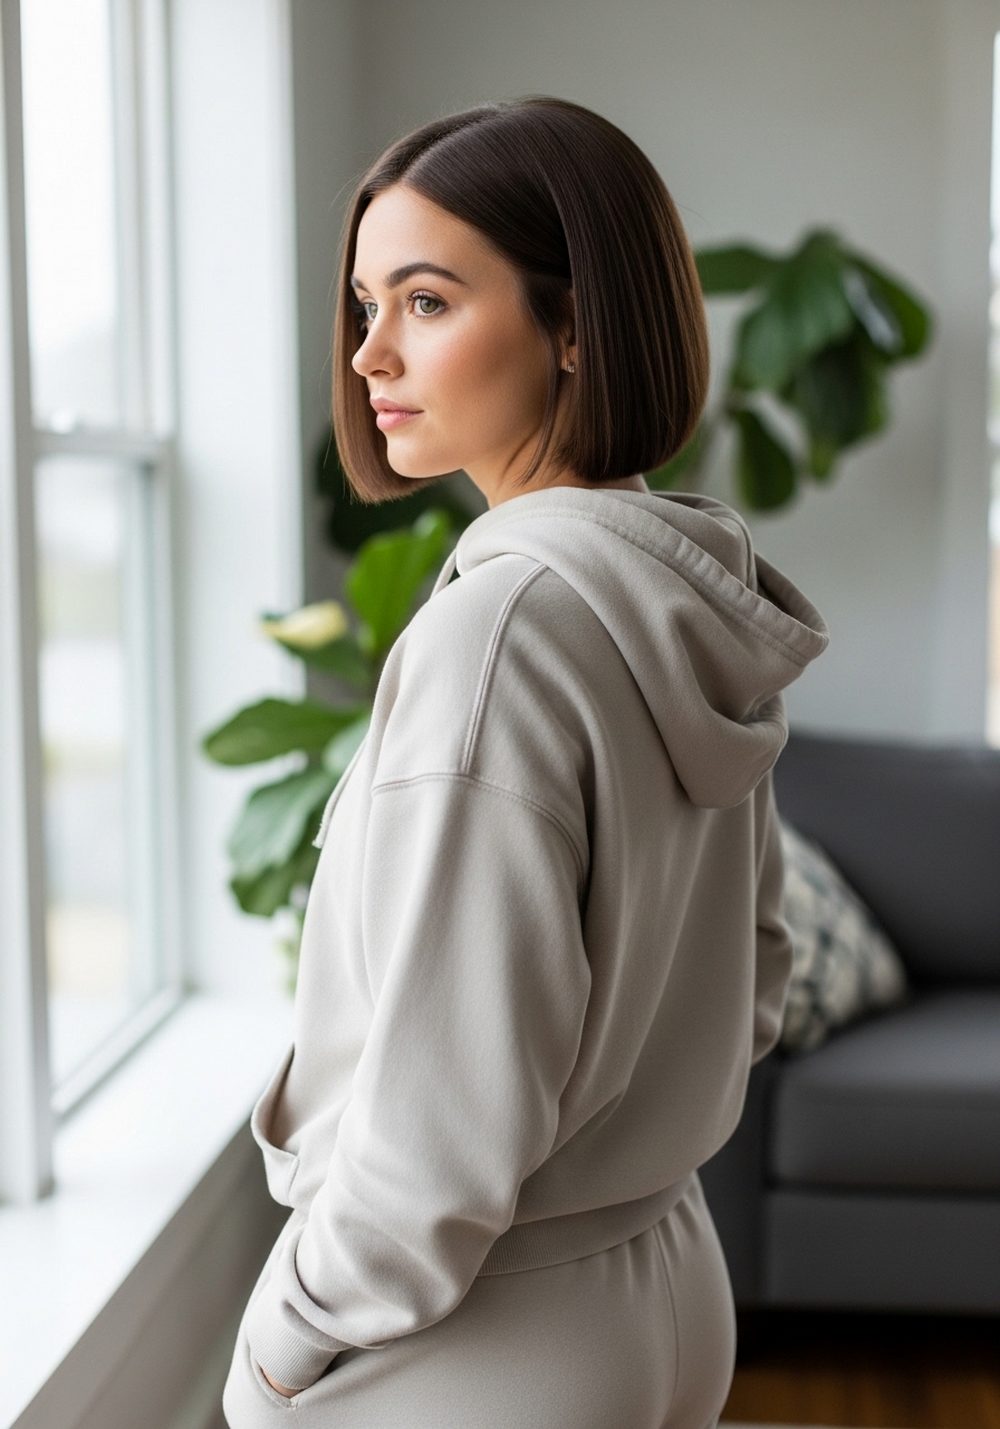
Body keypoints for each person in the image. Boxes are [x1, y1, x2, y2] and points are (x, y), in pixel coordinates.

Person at [222, 95, 830, 1429]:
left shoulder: (493, 637)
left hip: (482, 1328)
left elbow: (444, 1122)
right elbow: (758, 969)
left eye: (428, 302)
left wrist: (282, 1339)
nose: (372, 352)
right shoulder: (682, 599)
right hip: (664, 1276)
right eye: (365, 303)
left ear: (573, 328)